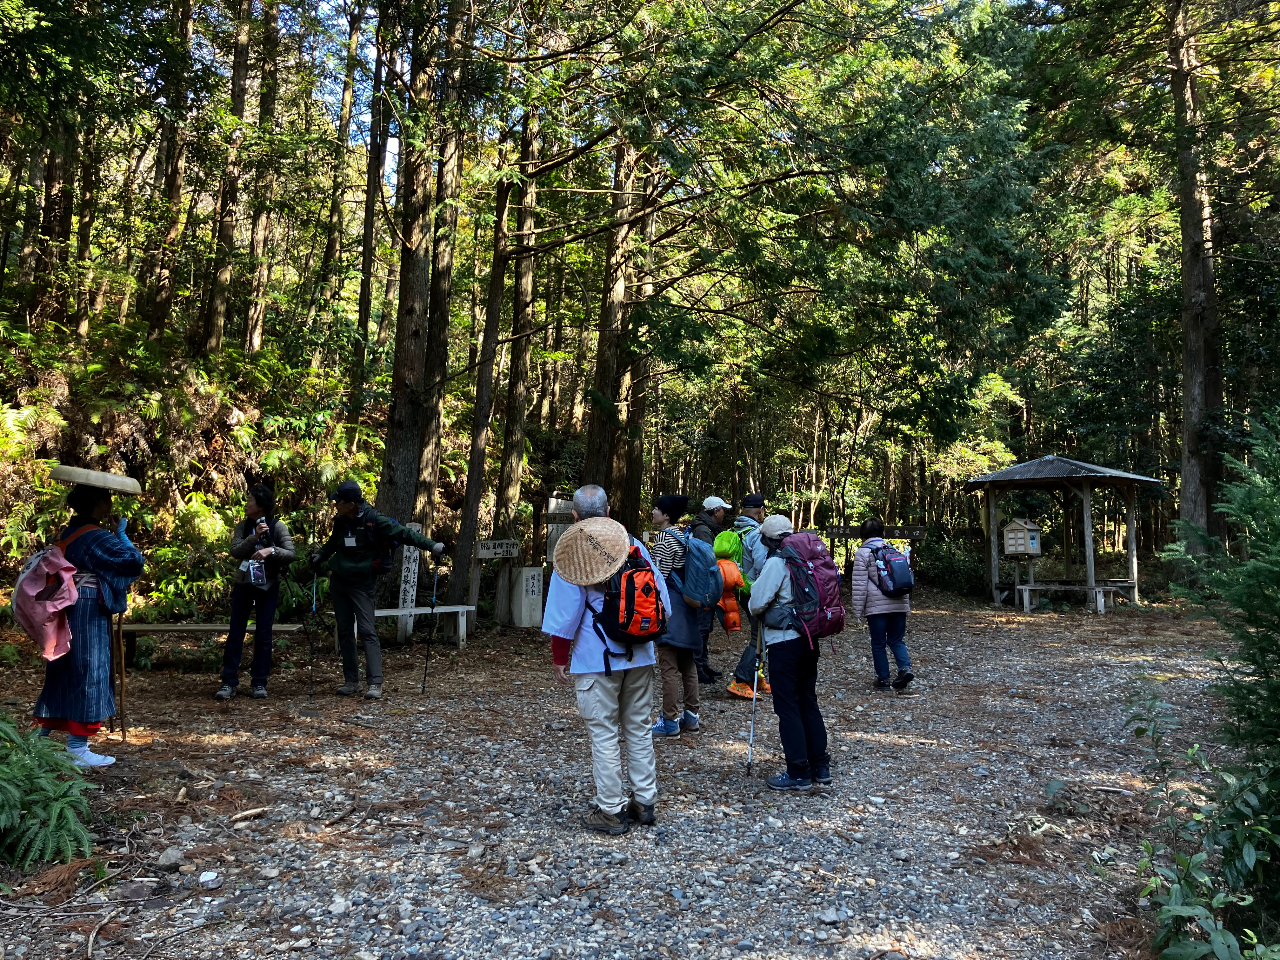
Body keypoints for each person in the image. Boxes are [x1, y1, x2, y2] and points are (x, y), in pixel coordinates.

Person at [543, 484, 672, 834]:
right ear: (609, 511)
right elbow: (663, 601)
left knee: (604, 733)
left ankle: (611, 810)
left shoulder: (572, 552)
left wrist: (560, 657)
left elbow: (564, 613)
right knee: (638, 730)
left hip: (596, 657)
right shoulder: (632, 544)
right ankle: (644, 803)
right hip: (641, 653)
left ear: (574, 517)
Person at [33, 484, 145, 767]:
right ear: (98, 503)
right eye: (107, 498)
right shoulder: (97, 536)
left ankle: (38, 742)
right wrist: (121, 534)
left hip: (67, 603)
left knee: (64, 666)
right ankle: (77, 747)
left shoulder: (70, 531)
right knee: (89, 666)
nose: (110, 502)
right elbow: (133, 562)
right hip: (86, 605)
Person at [310, 480, 444, 701]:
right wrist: (320, 556)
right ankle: (352, 681)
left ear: (352, 503)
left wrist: (432, 546)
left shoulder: (374, 520)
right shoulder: (341, 521)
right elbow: (333, 543)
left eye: (339, 501)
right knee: (344, 632)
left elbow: (404, 534)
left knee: (367, 631)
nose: (335, 505)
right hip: (340, 582)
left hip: (362, 584)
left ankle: (375, 683)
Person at [749, 514, 830, 791]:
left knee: (787, 706)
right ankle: (820, 765)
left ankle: (798, 771)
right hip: (810, 638)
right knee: (808, 699)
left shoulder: (777, 562)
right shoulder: (808, 559)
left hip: (784, 642)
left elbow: (756, 604)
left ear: (769, 540)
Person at [215, 484, 296, 701]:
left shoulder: (278, 527)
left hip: (268, 585)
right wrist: (253, 539)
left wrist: (272, 550)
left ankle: (259, 682)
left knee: (263, 634)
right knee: (235, 633)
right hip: (244, 583)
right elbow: (235, 551)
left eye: (250, 500)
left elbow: (291, 553)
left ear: (260, 505)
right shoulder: (243, 526)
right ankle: (228, 682)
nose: (246, 503)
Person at [648, 494, 700, 738]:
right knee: (688, 664)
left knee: (668, 665)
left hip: (672, 607)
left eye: (656, 509)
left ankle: (669, 720)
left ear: (666, 515)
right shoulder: (683, 536)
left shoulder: (663, 538)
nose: (653, 512)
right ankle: (691, 717)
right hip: (688, 607)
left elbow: (660, 575)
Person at [850, 517, 914, 691]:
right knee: (896, 639)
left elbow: (859, 584)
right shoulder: (893, 549)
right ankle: (905, 668)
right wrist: (905, 606)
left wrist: (857, 611)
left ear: (862, 536)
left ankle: (884, 680)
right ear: (882, 533)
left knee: (878, 643)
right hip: (899, 603)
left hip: (876, 607)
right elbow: (903, 580)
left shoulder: (863, 553)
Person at [726, 492, 771, 699]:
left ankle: (756, 676)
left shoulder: (736, 529)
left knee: (760, 633)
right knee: (760, 636)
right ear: (761, 511)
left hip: (739, 587)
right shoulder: (757, 534)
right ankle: (741, 679)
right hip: (754, 590)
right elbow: (762, 565)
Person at [690, 495, 731, 683]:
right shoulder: (704, 531)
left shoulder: (705, 528)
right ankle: (697, 668)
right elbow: (706, 561)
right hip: (703, 587)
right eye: (723, 510)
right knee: (701, 628)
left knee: (705, 628)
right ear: (715, 511)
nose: (724, 514)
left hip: (703, 586)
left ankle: (702, 664)